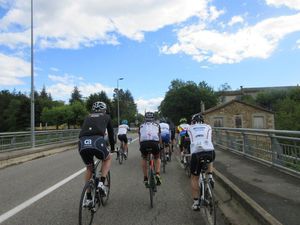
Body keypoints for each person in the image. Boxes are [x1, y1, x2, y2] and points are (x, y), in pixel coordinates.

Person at [78, 101, 115, 206]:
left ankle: (88, 197)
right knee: (107, 158)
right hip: (97, 142)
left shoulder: (87, 117)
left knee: (89, 168)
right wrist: (112, 148)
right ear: (104, 110)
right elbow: (111, 134)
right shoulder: (106, 116)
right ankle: (101, 183)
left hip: (82, 143)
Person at [187, 113, 215, 211]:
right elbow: (211, 139)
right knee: (210, 153)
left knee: (194, 177)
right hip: (210, 153)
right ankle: (210, 176)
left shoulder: (190, 128)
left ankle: (196, 203)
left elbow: (187, 140)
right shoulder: (208, 127)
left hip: (197, 154)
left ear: (193, 121)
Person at [139, 111, 162, 187]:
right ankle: (158, 174)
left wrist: (141, 147)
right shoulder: (157, 125)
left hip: (144, 143)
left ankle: (145, 178)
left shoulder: (141, 125)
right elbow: (159, 137)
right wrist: (160, 146)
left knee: (144, 157)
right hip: (154, 143)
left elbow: (140, 138)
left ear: (145, 118)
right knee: (157, 157)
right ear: (153, 118)